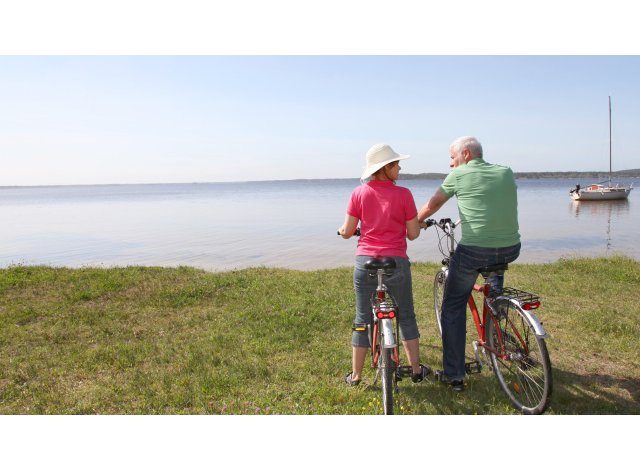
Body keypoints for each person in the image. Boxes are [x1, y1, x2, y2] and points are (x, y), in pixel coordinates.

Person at [418, 136, 521, 392]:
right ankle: (497, 327)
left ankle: (454, 375)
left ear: (465, 154)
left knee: (452, 307)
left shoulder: (458, 175)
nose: (451, 163)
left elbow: (433, 204)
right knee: (493, 288)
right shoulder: (505, 172)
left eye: (452, 158)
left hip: (475, 251)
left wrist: (416, 221)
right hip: (510, 248)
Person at [338, 143, 430, 386]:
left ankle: (356, 376)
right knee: (407, 316)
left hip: (365, 262)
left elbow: (348, 231)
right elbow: (412, 234)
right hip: (396, 262)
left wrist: (342, 231)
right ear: (386, 167)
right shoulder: (404, 194)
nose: (400, 167)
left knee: (362, 318)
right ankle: (417, 370)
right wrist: (411, 226)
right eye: (396, 164)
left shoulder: (358, 193)